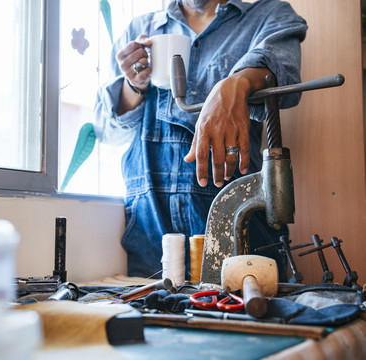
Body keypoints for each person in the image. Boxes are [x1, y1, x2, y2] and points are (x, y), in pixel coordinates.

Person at [93, 0, 307, 280]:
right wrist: (134, 85)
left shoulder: (269, 15)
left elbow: (285, 78)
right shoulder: (141, 29)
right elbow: (107, 133)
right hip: (152, 228)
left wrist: (237, 84)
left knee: (248, 312)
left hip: (237, 223)